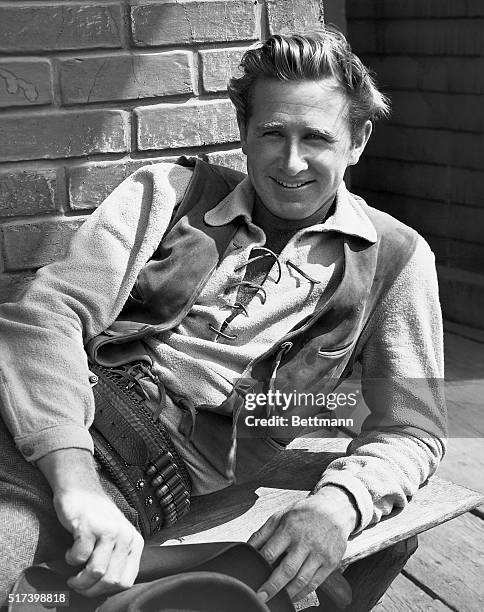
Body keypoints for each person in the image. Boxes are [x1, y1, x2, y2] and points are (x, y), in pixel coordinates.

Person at [0, 28, 446, 608]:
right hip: (52, 425)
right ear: (242, 131)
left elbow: (414, 429)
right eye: (271, 134)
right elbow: (47, 315)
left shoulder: (396, 259)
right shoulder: (171, 192)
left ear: (357, 139)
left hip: (143, 475)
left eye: (315, 136)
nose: (291, 162)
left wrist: (338, 505)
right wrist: (76, 484)